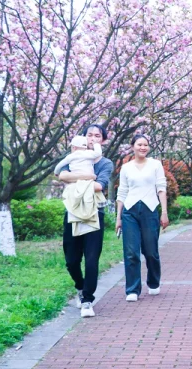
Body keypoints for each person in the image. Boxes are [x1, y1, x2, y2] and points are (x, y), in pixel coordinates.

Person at [59, 124, 114, 318]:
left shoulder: (105, 163)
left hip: (94, 213)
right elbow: (61, 175)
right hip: (72, 212)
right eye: (89, 135)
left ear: (103, 140)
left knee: (91, 259)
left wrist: (75, 179)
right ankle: (80, 287)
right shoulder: (73, 156)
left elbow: (100, 185)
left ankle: (87, 300)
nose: (92, 138)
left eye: (97, 135)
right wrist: (88, 177)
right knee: (71, 260)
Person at [115, 134, 168, 302]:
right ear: (133, 147)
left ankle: (153, 282)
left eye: (145, 145)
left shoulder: (155, 165)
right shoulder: (126, 167)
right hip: (129, 212)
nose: (142, 147)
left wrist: (164, 211)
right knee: (131, 252)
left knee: (151, 251)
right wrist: (118, 218)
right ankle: (132, 289)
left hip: (150, 210)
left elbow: (161, 188)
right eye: (139, 144)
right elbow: (122, 192)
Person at [54, 136, 106, 236]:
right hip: (89, 181)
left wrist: (56, 172)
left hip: (75, 182)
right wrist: (96, 144)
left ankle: (79, 215)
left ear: (73, 147)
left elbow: (59, 165)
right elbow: (98, 153)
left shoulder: (71, 156)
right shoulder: (89, 154)